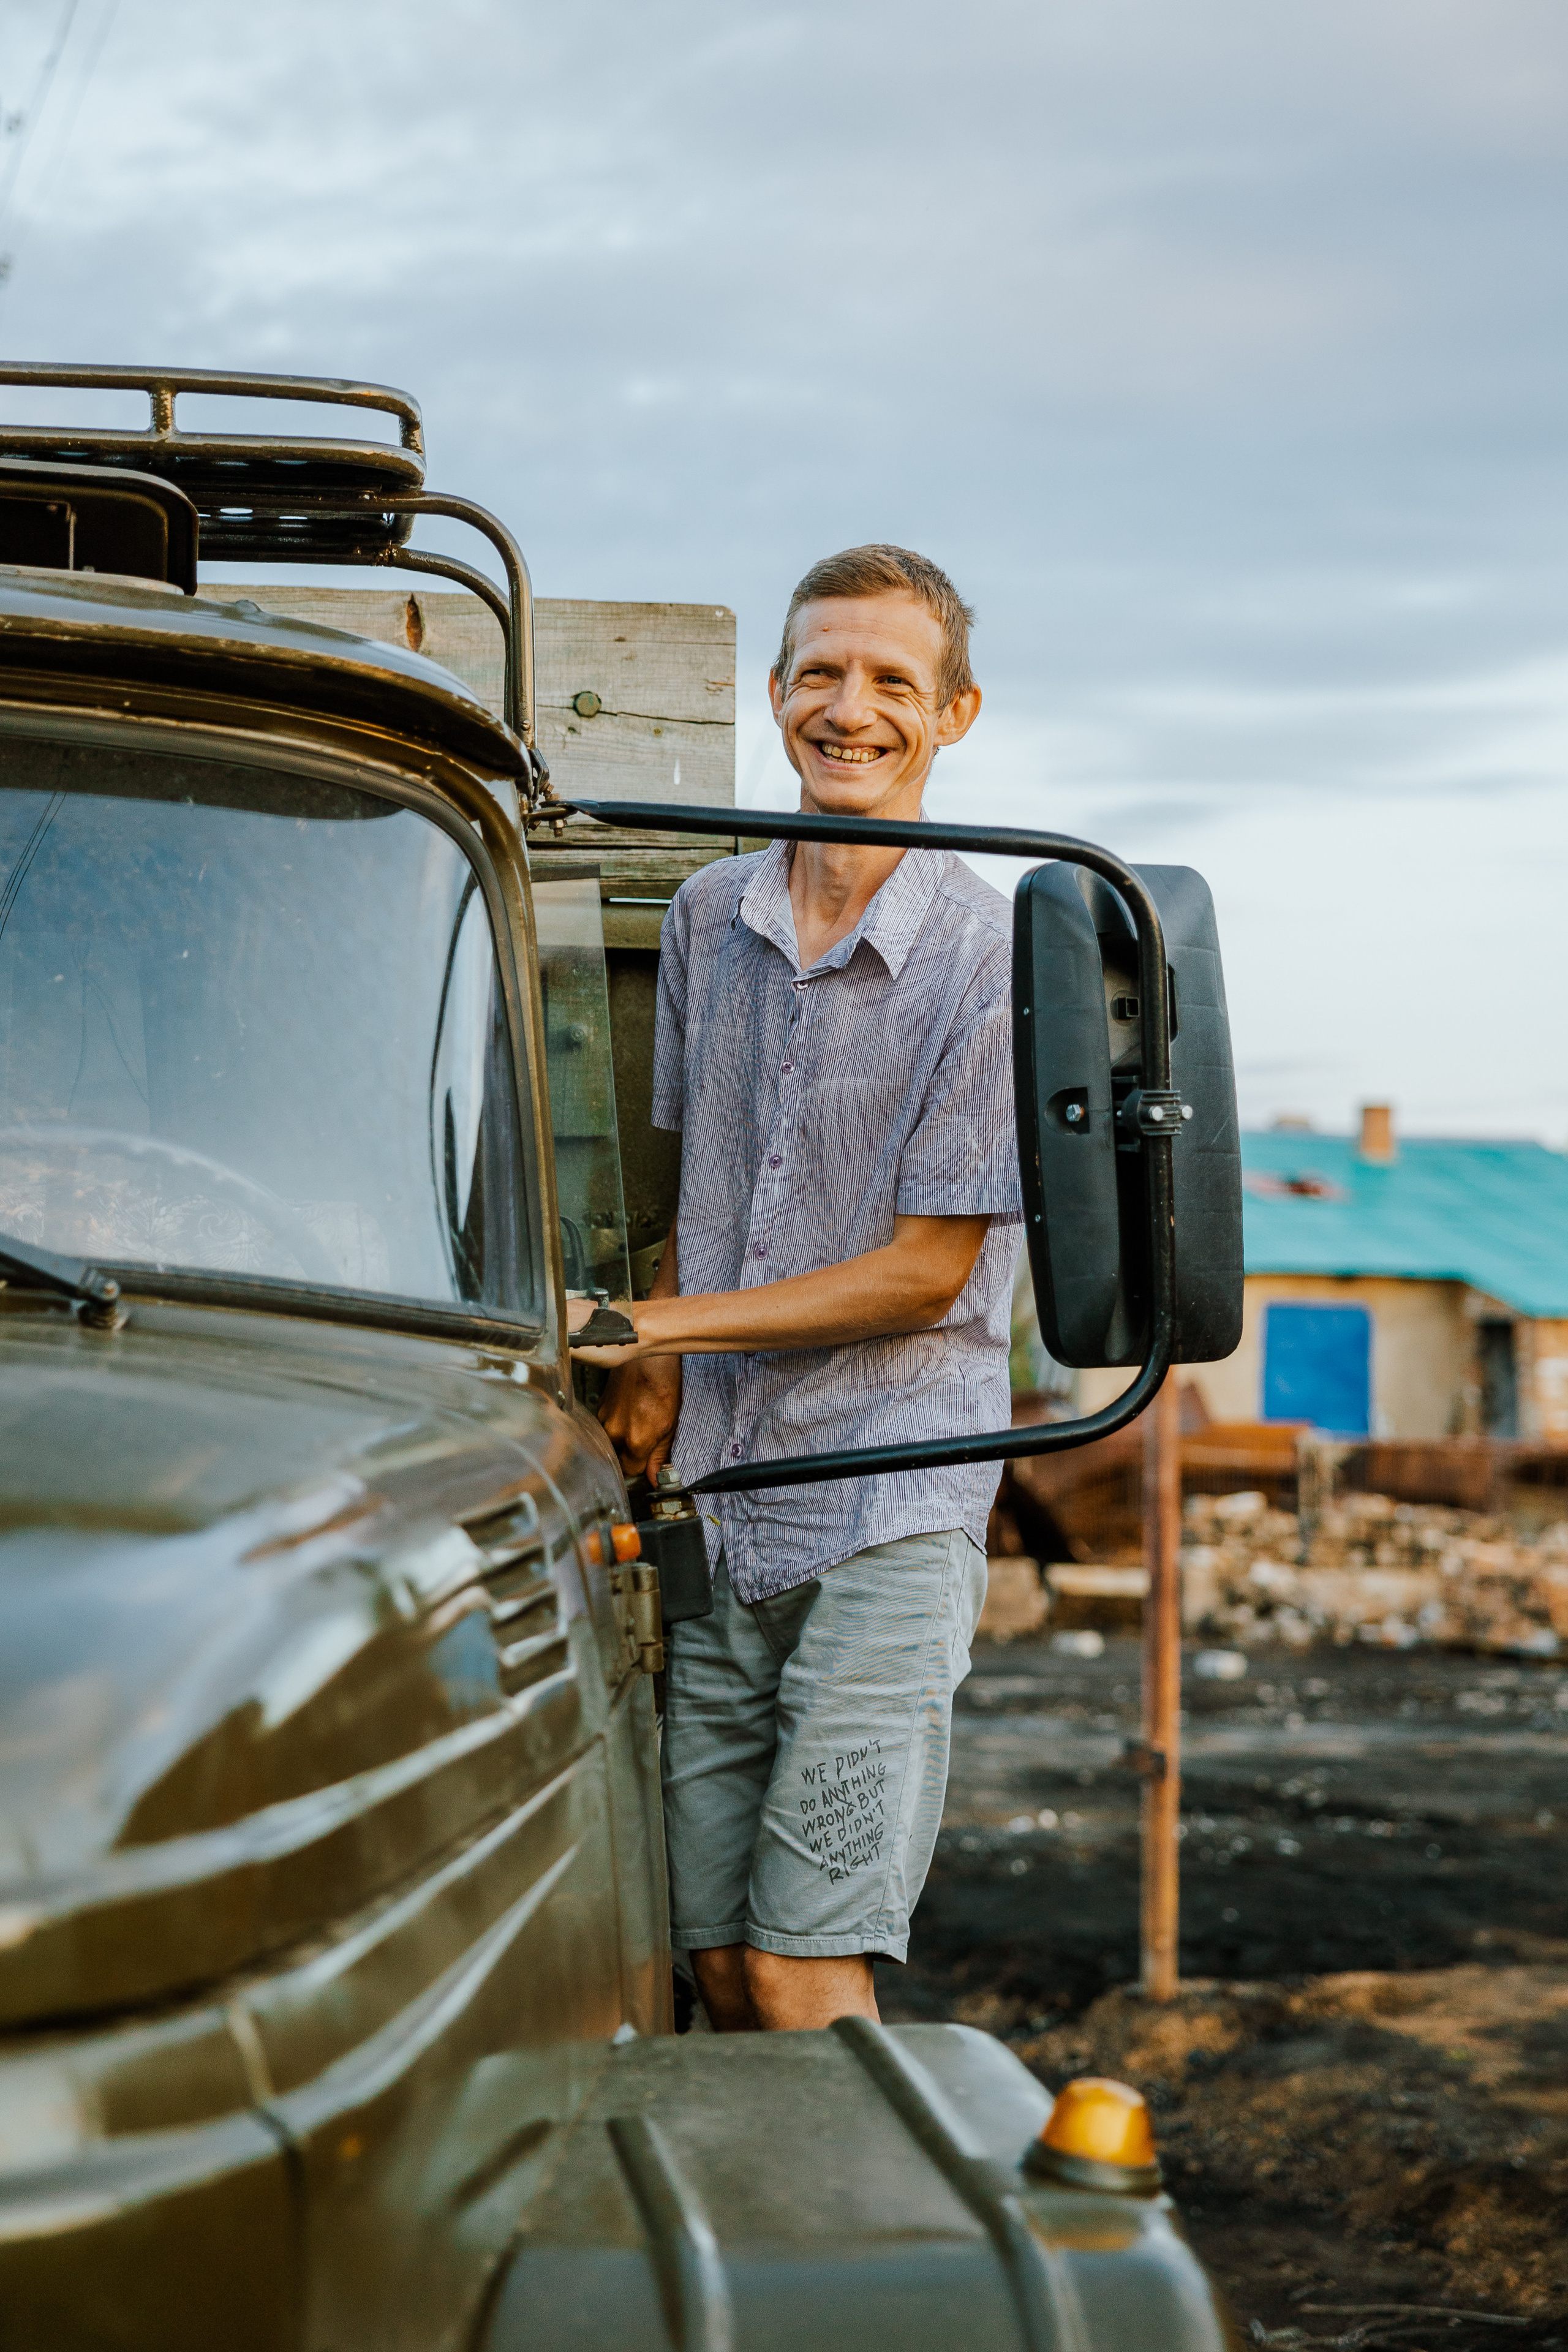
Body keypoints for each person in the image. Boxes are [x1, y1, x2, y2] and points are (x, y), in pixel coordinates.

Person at [572, 543, 1022, 2032]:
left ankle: (862, 2194)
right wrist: (653, 1371)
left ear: (952, 713)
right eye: (820, 672)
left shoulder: (989, 956)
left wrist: (640, 1329)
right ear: (773, 693)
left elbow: (925, 1275)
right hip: (721, 1496)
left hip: (885, 1500)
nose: (850, 708)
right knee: (706, 1958)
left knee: (797, 1962)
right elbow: (707, 1190)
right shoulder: (706, 918)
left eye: (892, 680)